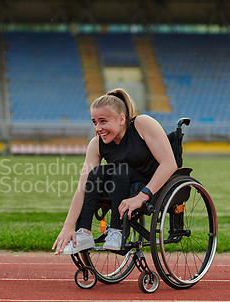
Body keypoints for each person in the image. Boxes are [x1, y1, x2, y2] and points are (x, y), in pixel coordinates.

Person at [52, 88, 177, 255]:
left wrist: (142, 196)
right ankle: (84, 233)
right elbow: (82, 188)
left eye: (103, 121)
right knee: (95, 174)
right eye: (94, 122)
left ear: (121, 119)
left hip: (152, 185)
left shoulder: (142, 124)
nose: (98, 128)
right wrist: (68, 227)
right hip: (122, 185)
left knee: (121, 170)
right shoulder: (96, 144)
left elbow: (169, 164)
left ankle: (116, 231)